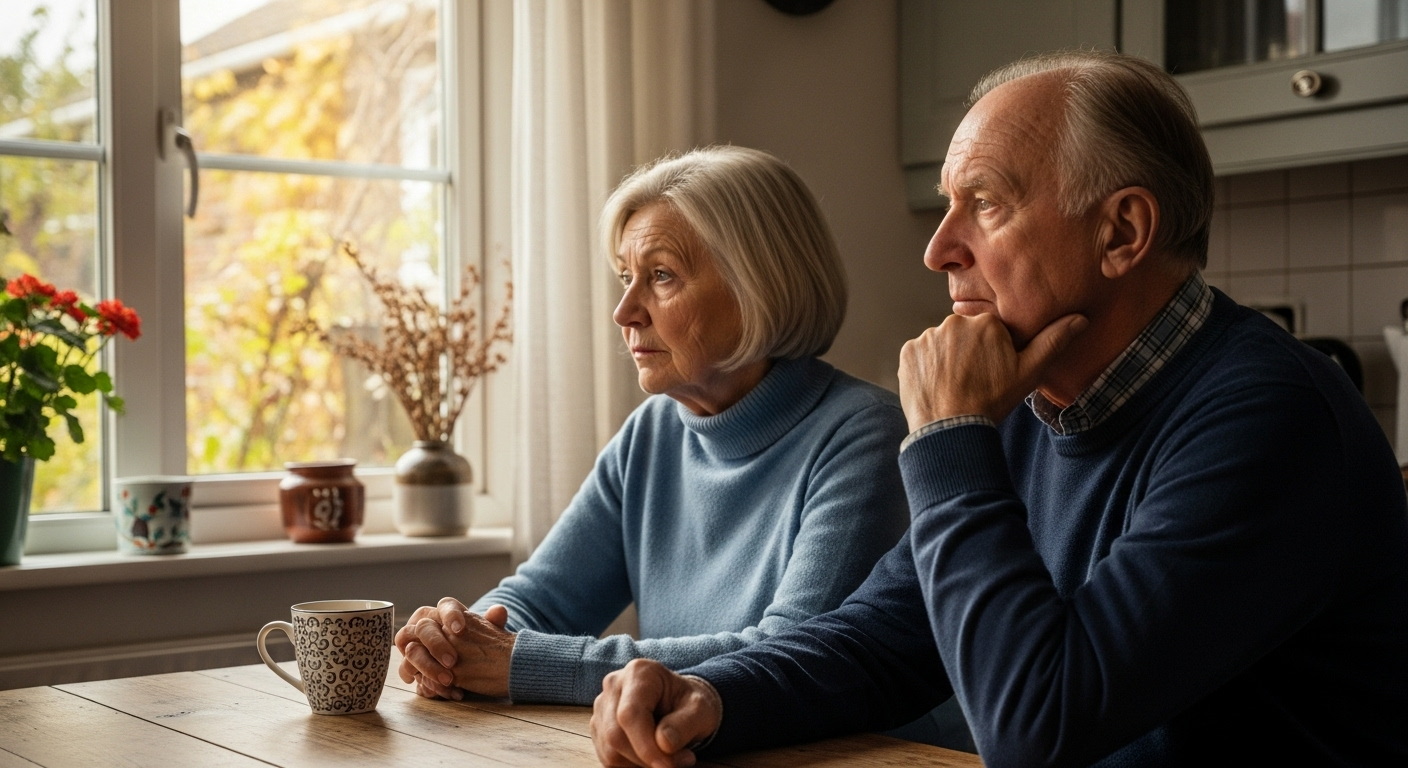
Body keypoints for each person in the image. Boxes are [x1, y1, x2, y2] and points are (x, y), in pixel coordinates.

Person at [590, 50, 1408, 767]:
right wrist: (709, 692)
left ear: (1121, 232)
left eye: (983, 202)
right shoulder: (1033, 397)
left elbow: (1037, 728)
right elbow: (886, 639)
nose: (938, 247)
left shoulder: (1270, 420)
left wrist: (950, 439)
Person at [394, 146, 912, 707]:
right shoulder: (654, 432)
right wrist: (454, 640)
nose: (624, 311)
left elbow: (782, 655)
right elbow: (540, 600)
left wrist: (517, 663)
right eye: (625, 276)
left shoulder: (868, 436)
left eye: (661, 275)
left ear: (758, 284)